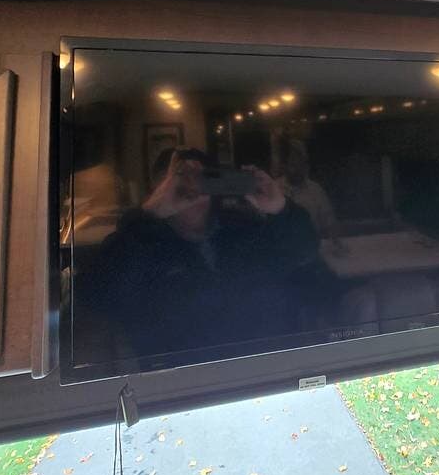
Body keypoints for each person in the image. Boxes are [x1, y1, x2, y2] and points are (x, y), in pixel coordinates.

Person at [77, 147, 324, 362]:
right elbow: (96, 297)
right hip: (187, 378)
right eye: (180, 181)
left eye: (202, 179)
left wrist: (281, 208)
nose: (192, 190)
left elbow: (303, 252)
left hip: (264, 365)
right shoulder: (140, 242)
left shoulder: (241, 228)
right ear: (160, 189)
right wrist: (149, 215)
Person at [276, 138, 346, 254]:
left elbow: (329, 222)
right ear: (284, 166)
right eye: (293, 165)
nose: (298, 169)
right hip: (282, 251)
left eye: (301, 164)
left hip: (311, 250)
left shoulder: (315, 190)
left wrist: (337, 244)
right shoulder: (274, 189)